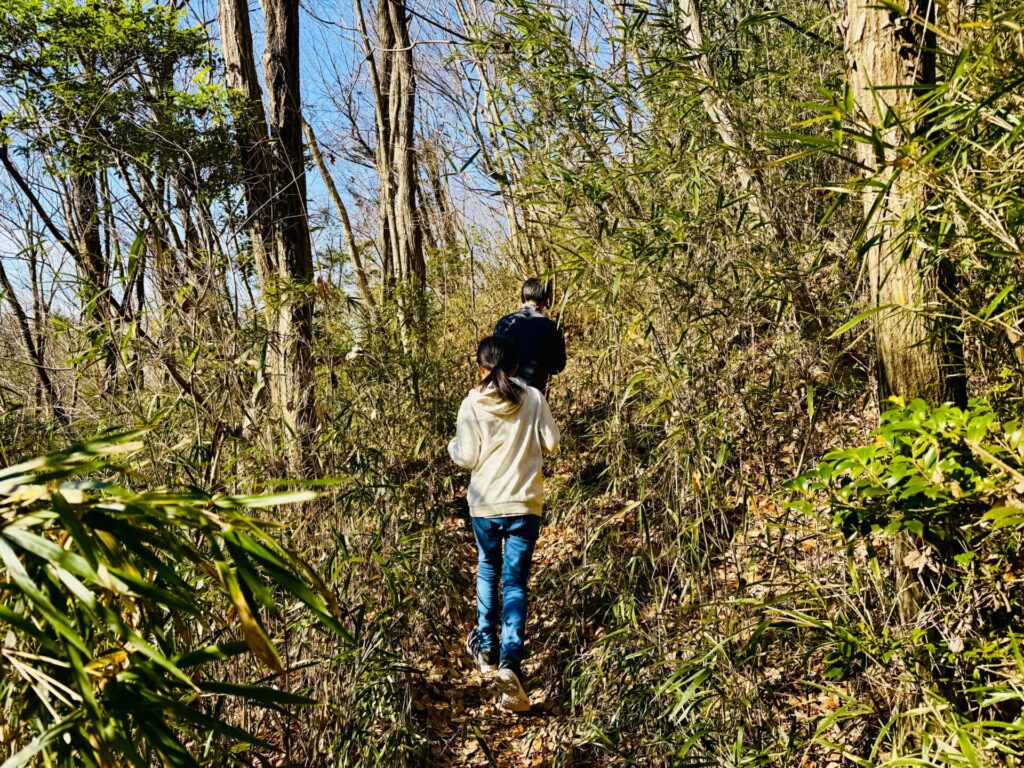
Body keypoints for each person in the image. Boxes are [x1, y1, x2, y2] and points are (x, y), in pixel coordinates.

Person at [448, 335, 560, 713]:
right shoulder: (532, 398)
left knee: (486, 570)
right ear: (513, 367)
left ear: (480, 367)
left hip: (485, 505)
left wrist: (451, 446)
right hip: (525, 503)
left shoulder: (471, 403)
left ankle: (487, 651)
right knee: (514, 581)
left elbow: (465, 456)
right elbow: (552, 443)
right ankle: (512, 661)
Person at [494, 279, 567, 394]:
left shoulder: (503, 323)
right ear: (545, 301)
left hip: (504, 392)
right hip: (535, 396)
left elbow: (494, 361)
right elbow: (558, 366)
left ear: (523, 298)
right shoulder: (553, 327)